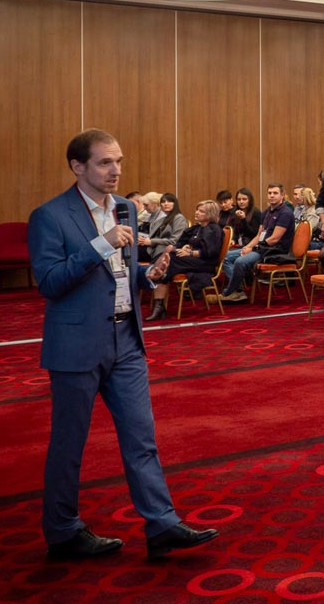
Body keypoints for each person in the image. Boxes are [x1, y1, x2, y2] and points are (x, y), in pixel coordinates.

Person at [27, 129, 217, 561]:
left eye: (119, 161)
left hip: (126, 339)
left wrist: (147, 275)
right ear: (78, 166)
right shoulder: (50, 216)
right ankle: (62, 531)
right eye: (105, 162)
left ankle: (161, 524)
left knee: (141, 437)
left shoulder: (126, 209)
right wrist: (101, 244)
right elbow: (50, 282)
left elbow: (120, 272)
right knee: (69, 444)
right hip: (76, 344)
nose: (115, 170)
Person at [147, 199, 223, 321]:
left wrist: (190, 252)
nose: (197, 212)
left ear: (210, 214)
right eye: (197, 210)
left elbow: (210, 253)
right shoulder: (197, 228)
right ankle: (159, 305)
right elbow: (180, 242)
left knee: (170, 260)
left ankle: (159, 305)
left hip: (205, 263)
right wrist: (182, 247)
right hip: (192, 259)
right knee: (166, 257)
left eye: (201, 211)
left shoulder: (214, 229)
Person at [218, 183, 294, 302]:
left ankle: (229, 292)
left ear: (282, 195)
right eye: (269, 193)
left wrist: (253, 249)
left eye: (275, 193)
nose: (272, 195)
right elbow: (259, 235)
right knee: (224, 257)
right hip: (262, 248)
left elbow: (274, 239)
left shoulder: (285, 213)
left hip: (273, 251)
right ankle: (238, 290)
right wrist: (247, 247)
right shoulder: (267, 212)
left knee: (240, 261)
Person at [136, 193, 186, 265]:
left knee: (133, 252)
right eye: (163, 202)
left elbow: (174, 241)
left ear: (175, 204)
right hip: (153, 248)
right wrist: (143, 240)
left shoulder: (179, 218)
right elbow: (152, 235)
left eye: (169, 201)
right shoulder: (163, 219)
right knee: (130, 247)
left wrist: (151, 241)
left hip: (164, 250)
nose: (166, 204)